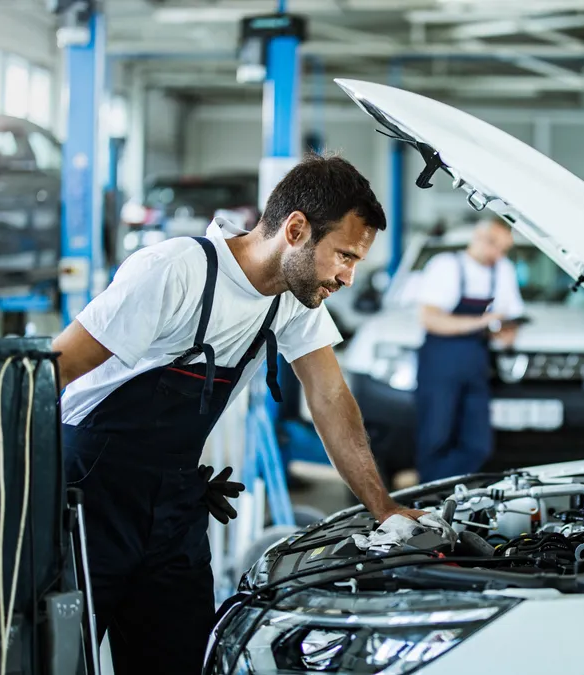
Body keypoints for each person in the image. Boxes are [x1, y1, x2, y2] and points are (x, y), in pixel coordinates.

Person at [51, 155, 426, 674]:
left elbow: (330, 397)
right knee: (61, 655)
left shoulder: (296, 300)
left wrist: (383, 508)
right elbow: (54, 370)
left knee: (181, 658)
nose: (348, 275)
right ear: (295, 229)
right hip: (89, 496)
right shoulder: (176, 271)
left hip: (175, 504)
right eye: (343, 255)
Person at [413, 216, 525, 483]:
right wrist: (483, 321)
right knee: (436, 438)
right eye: (493, 244)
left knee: (479, 444)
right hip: (440, 362)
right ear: (477, 235)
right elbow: (430, 318)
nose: (497, 253)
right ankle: (429, 497)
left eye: (503, 248)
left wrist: (507, 333)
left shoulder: (503, 269)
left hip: (476, 361)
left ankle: (451, 492)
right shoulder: (445, 266)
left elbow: (511, 314)